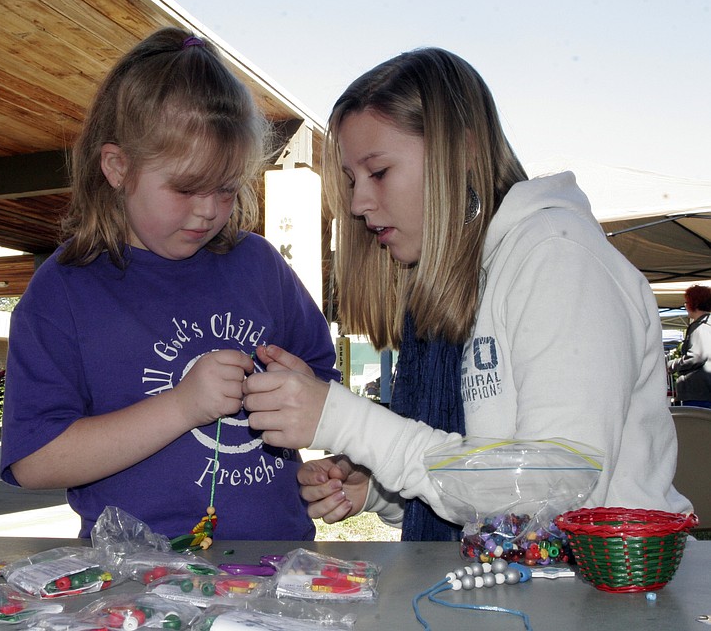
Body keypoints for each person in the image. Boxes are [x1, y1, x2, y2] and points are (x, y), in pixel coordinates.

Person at [242, 47, 692, 540]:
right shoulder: (441, 286)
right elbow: (475, 479)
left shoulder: (557, 256)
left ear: (464, 151)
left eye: (379, 172)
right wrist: (378, 489)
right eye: (351, 180)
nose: (357, 204)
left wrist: (347, 422)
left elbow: (560, 489)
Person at [0, 27, 338, 540]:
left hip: (277, 569)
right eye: (186, 187)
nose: (208, 211)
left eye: (226, 189)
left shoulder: (259, 265)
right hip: (136, 585)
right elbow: (35, 461)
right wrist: (183, 405)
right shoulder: (65, 290)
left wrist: (310, 458)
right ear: (117, 167)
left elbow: (323, 389)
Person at [668, 285, 711, 408]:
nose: (685, 306)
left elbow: (696, 356)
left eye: (686, 302)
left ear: (694, 303)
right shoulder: (705, 325)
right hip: (704, 391)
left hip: (698, 392)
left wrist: (672, 365)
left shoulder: (701, 327)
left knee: (698, 425)